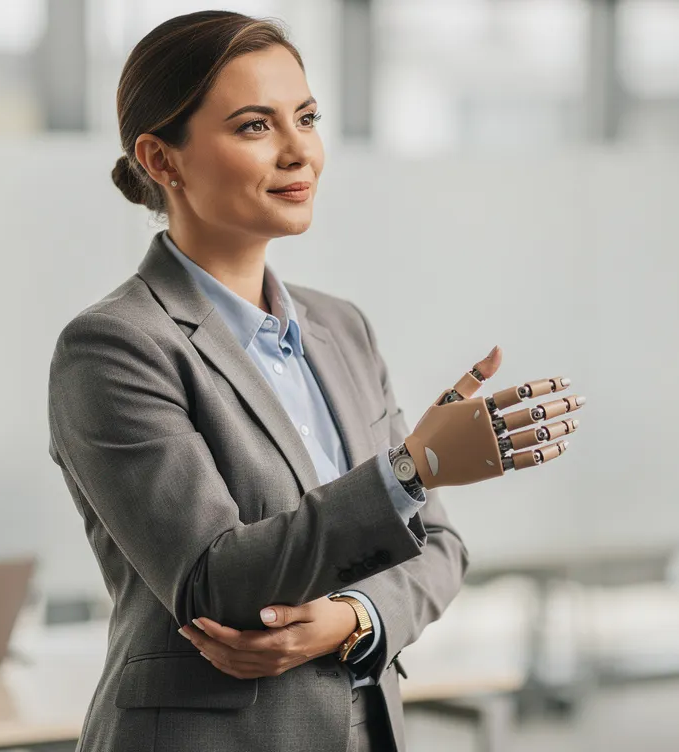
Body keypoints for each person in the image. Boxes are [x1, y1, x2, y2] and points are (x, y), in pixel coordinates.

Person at [47, 12, 583, 752]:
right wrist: (415, 467)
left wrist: (354, 617)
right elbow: (214, 580)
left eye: (306, 117)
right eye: (254, 126)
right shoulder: (116, 346)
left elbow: (439, 547)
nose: (301, 151)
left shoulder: (342, 329)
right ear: (161, 160)